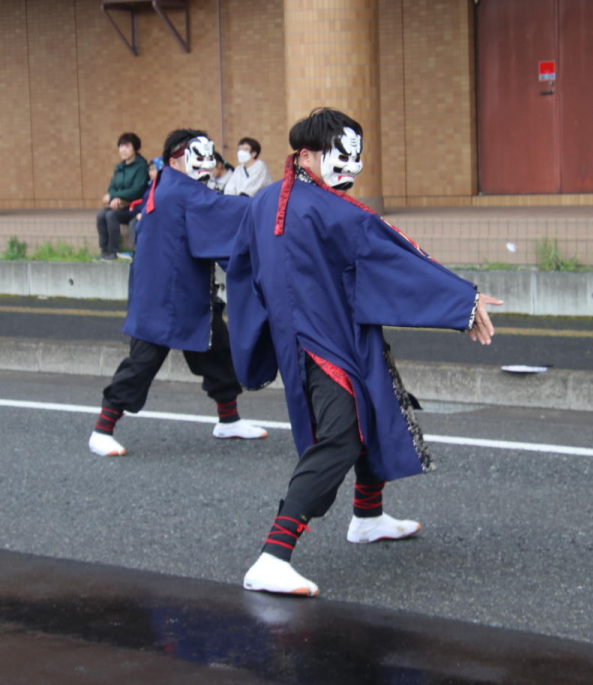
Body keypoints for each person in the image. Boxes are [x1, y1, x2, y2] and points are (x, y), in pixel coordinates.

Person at [226, 108, 502, 597]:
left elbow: (242, 272)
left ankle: (368, 516)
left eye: (356, 156)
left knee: (375, 410)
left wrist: (258, 336)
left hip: (315, 337)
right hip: (325, 344)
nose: (351, 167)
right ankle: (272, 556)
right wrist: (462, 300)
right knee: (340, 437)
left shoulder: (266, 201)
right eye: (341, 156)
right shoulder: (332, 210)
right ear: (305, 156)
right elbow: (395, 259)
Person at [88, 128, 267, 458]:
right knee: (142, 364)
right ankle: (102, 430)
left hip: (188, 295)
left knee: (217, 353)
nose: (208, 164)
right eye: (198, 157)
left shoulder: (169, 185)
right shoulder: (181, 192)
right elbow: (226, 211)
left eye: (210, 156)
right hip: (162, 299)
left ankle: (228, 420)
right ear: (174, 161)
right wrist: (273, 204)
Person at [96, 132, 149, 261]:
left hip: (134, 207)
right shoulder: (119, 167)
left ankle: (113, 251)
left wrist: (114, 196)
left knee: (111, 215)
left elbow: (136, 190)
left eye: (127, 146)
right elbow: (112, 187)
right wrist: (114, 198)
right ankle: (104, 250)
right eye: (121, 146)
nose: (123, 150)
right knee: (101, 214)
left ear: (135, 149)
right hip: (120, 205)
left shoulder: (141, 166)